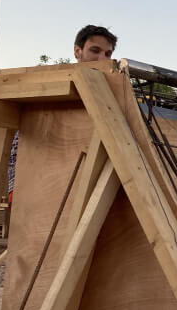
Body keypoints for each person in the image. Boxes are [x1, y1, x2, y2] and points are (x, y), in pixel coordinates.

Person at [7, 25, 118, 203]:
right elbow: (21, 144)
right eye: (95, 51)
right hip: (43, 189)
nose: (101, 59)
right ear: (77, 51)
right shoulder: (52, 86)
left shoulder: (113, 95)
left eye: (107, 54)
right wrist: (14, 188)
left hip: (91, 193)